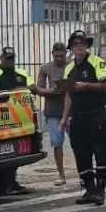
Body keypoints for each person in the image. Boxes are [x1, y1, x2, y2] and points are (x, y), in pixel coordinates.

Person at [60, 29, 106, 206]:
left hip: (95, 113)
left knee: (99, 148)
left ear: (87, 46)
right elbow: (68, 95)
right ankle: (89, 189)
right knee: (81, 151)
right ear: (72, 48)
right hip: (77, 115)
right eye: (76, 44)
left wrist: (87, 85)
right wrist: (64, 118)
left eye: (82, 44)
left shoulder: (97, 62)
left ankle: (100, 189)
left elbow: (105, 86)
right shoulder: (69, 67)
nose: (79, 47)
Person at [0, 46, 35, 195]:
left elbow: (32, 87)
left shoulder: (21, 73)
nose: (10, 61)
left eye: (12, 58)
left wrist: (21, 89)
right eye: (7, 58)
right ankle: (6, 183)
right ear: (1, 59)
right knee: (3, 151)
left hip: (20, 118)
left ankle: (11, 181)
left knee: (16, 150)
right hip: (0, 118)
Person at [36, 42, 70, 186]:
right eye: (56, 56)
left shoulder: (72, 66)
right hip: (53, 111)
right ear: (52, 55)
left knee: (79, 142)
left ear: (66, 54)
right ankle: (61, 175)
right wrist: (51, 92)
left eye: (62, 56)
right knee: (57, 143)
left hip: (72, 110)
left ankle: (83, 172)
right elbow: (39, 88)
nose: (59, 59)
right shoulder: (45, 68)